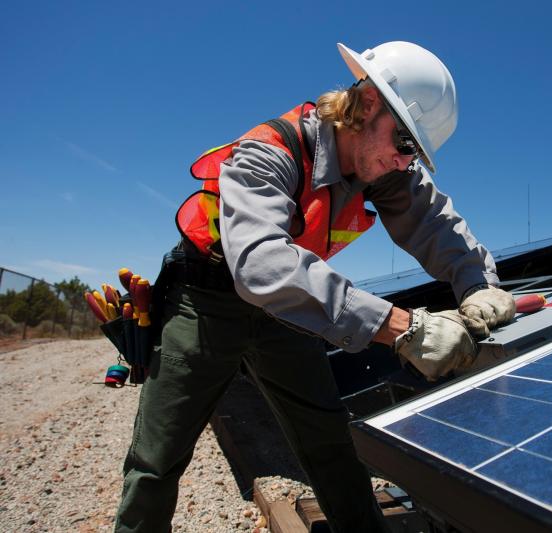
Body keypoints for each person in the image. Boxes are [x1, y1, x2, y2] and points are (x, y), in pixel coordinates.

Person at [114, 41, 516, 532]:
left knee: (328, 442)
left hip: (282, 311)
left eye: (414, 152)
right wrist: (403, 327)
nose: (403, 160)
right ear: (367, 105)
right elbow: (263, 264)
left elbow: (435, 223)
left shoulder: (383, 166)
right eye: (404, 143)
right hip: (205, 299)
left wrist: (479, 286)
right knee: (159, 457)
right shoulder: (269, 152)